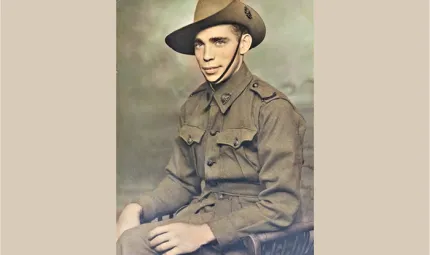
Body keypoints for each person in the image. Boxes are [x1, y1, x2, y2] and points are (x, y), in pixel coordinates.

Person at [116, 0, 307, 254]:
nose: (206, 56)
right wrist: (137, 207)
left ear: (244, 44)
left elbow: (282, 203)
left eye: (219, 41)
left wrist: (205, 233)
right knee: (131, 241)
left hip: (250, 234)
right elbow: (182, 182)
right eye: (199, 44)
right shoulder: (194, 106)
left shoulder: (272, 108)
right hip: (200, 215)